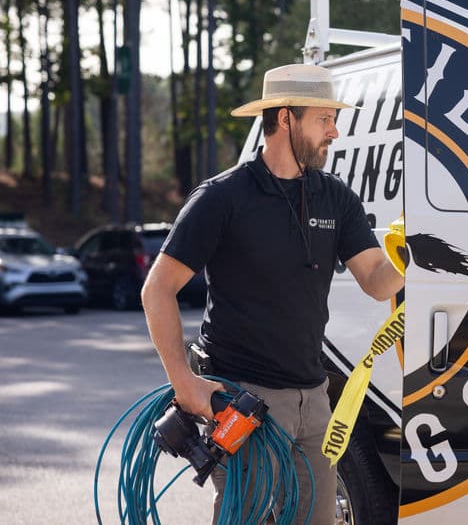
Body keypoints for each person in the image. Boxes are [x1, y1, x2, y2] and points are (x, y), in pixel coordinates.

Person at [141, 63, 404, 523]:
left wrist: (411, 254)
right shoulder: (222, 198)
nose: (334, 131)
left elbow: (375, 279)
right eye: (324, 119)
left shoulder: (335, 198)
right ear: (286, 118)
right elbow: (157, 289)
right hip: (247, 400)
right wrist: (184, 383)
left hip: (316, 400)